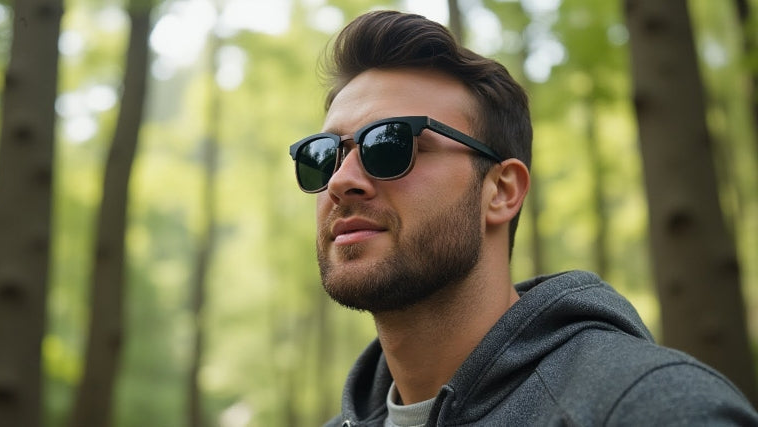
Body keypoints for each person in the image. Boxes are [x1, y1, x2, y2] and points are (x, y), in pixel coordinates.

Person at [288, 10, 758, 427]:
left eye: (389, 145)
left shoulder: (649, 405)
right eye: (323, 155)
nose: (340, 181)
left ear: (501, 191)